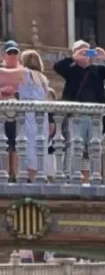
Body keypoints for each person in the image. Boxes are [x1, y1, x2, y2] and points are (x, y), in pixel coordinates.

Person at [54, 41, 105, 179]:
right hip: (76, 115)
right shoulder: (71, 70)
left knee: (95, 148)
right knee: (75, 147)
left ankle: (96, 176)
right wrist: (74, 58)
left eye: (87, 52)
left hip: (95, 116)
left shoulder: (97, 70)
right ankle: (74, 177)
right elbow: (57, 67)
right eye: (82, 52)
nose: (86, 55)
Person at [18, 51, 50, 180]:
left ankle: (30, 177)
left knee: (28, 146)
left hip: (28, 115)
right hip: (42, 115)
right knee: (39, 146)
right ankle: (37, 176)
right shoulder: (43, 78)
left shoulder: (25, 73)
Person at [0, 41, 27, 180]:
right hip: (1, 115)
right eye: (9, 52)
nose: (12, 55)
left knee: (16, 145)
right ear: (3, 54)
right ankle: (4, 175)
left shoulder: (25, 72)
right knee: (3, 145)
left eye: (15, 52)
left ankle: (15, 175)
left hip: (18, 116)